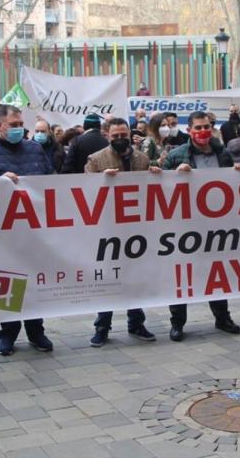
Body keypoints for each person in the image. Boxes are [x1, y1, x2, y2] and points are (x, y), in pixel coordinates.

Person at [0, 105, 56, 356]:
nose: (19, 129)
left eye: (20, 124)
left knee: (36, 280)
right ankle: (8, 333)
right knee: (6, 281)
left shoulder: (35, 149)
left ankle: (37, 331)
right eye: (13, 125)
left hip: (34, 229)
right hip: (2, 232)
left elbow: (50, 178)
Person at [160, 111, 240, 341]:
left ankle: (222, 317)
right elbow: (159, 189)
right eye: (198, 128)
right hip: (185, 226)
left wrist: (239, 174)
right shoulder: (177, 155)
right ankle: (177, 323)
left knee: (216, 272)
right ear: (190, 130)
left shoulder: (223, 154)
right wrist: (174, 176)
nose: (203, 131)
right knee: (181, 274)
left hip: (216, 226)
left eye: (207, 126)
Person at [87, 119, 161, 347]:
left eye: (123, 134)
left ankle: (136, 323)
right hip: (107, 228)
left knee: (134, 276)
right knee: (108, 277)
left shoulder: (141, 158)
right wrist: (100, 180)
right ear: (106, 135)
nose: (120, 139)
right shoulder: (96, 159)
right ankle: (102, 326)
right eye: (115, 135)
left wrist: (156, 173)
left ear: (129, 134)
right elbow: (83, 190)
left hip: (135, 228)